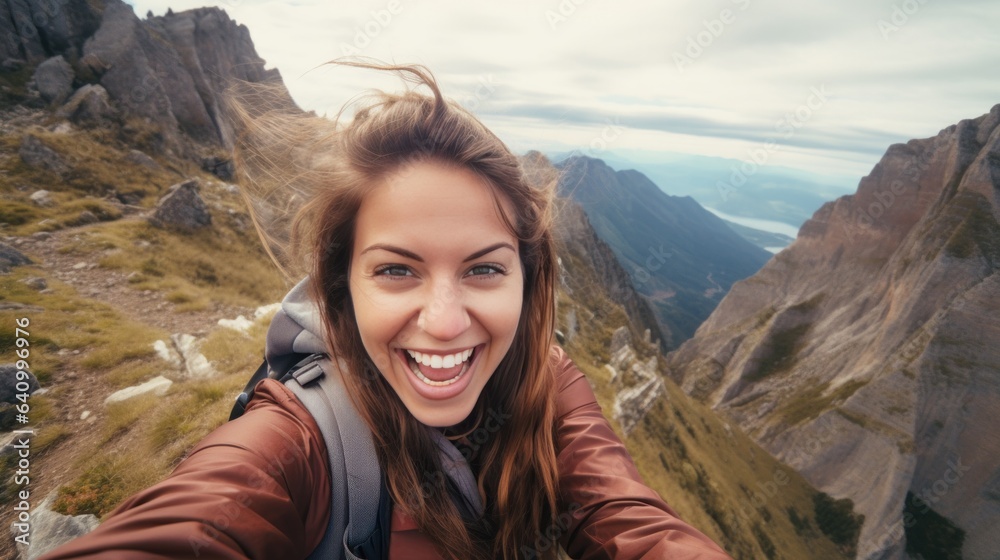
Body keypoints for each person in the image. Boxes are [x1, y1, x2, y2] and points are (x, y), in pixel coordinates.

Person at [41, 62, 732, 560]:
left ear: (528, 280)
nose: (444, 319)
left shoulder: (548, 383)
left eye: (484, 269)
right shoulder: (294, 442)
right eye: (397, 270)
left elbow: (626, 518)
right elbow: (204, 515)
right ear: (342, 286)